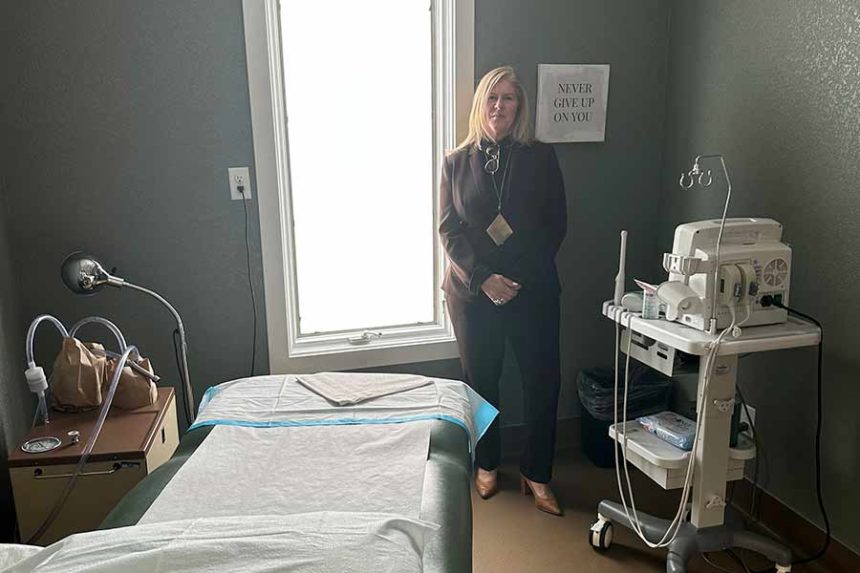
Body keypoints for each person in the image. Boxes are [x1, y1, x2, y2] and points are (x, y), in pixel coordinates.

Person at [438, 66, 567, 515]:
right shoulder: (456, 162)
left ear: (520, 106)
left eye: (509, 98)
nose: (499, 106)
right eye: (492, 97)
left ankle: (538, 472)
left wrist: (517, 283)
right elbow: (449, 231)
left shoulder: (540, 157)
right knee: (481, 382)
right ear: (480, 104)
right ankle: (487, 463)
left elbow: (555, 225)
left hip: (532, 291)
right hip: (473, 295)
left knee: (542, 382)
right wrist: (483, 279)